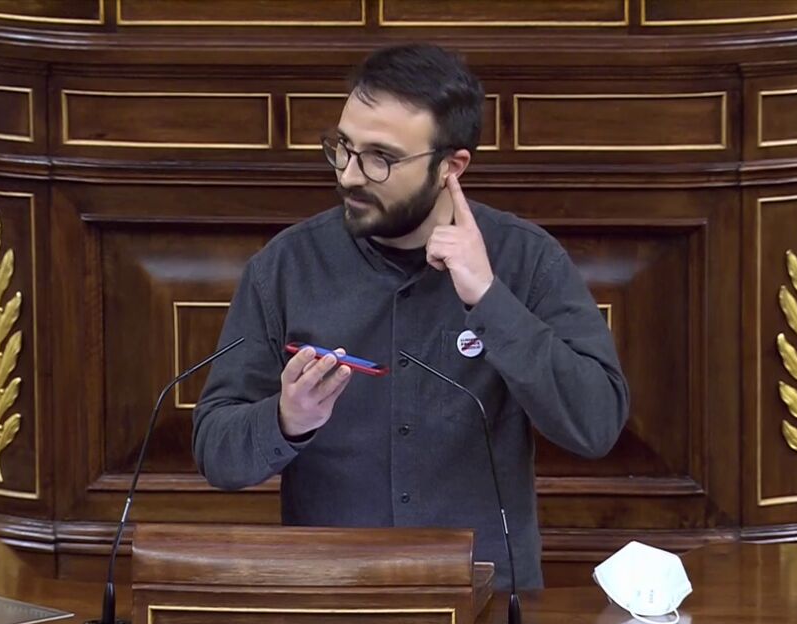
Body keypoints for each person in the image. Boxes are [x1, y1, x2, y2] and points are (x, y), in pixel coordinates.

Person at [192, 43, 628, 589]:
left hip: (485, 600)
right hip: (331, 596)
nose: (350, 176)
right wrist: (285, 419)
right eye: (343, 148)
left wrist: (489, 300)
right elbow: (215, 450)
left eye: (381, 158)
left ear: (450, 167)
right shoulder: (285, 268)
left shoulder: (525, 260)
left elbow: (596, 424)